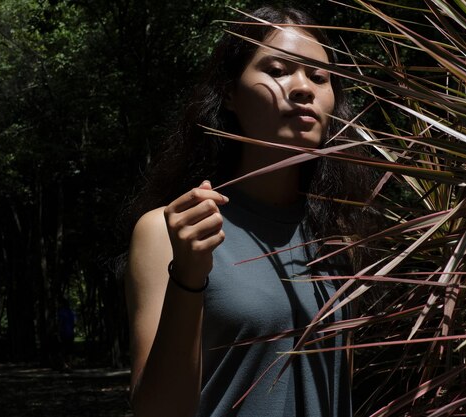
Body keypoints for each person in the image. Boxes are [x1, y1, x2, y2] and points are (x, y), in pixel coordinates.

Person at [124, 6, 377, 417]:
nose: (302, 88)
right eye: (278, 70)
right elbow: (157, 411)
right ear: (229, 94)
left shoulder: (338, 237)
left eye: (319, 77)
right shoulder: (170, 231)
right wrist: (188, 275)